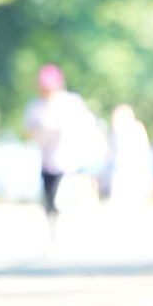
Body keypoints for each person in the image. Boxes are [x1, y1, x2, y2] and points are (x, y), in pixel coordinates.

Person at [24, 64, 95, 234]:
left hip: (69, 162)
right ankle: (53, 231)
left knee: (64, 199)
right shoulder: (36, 106)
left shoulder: (71, 102)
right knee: (49, 201)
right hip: (47, 162)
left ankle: (68, 229)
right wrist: (44, 134)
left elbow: (85, 127)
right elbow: (29, 132)